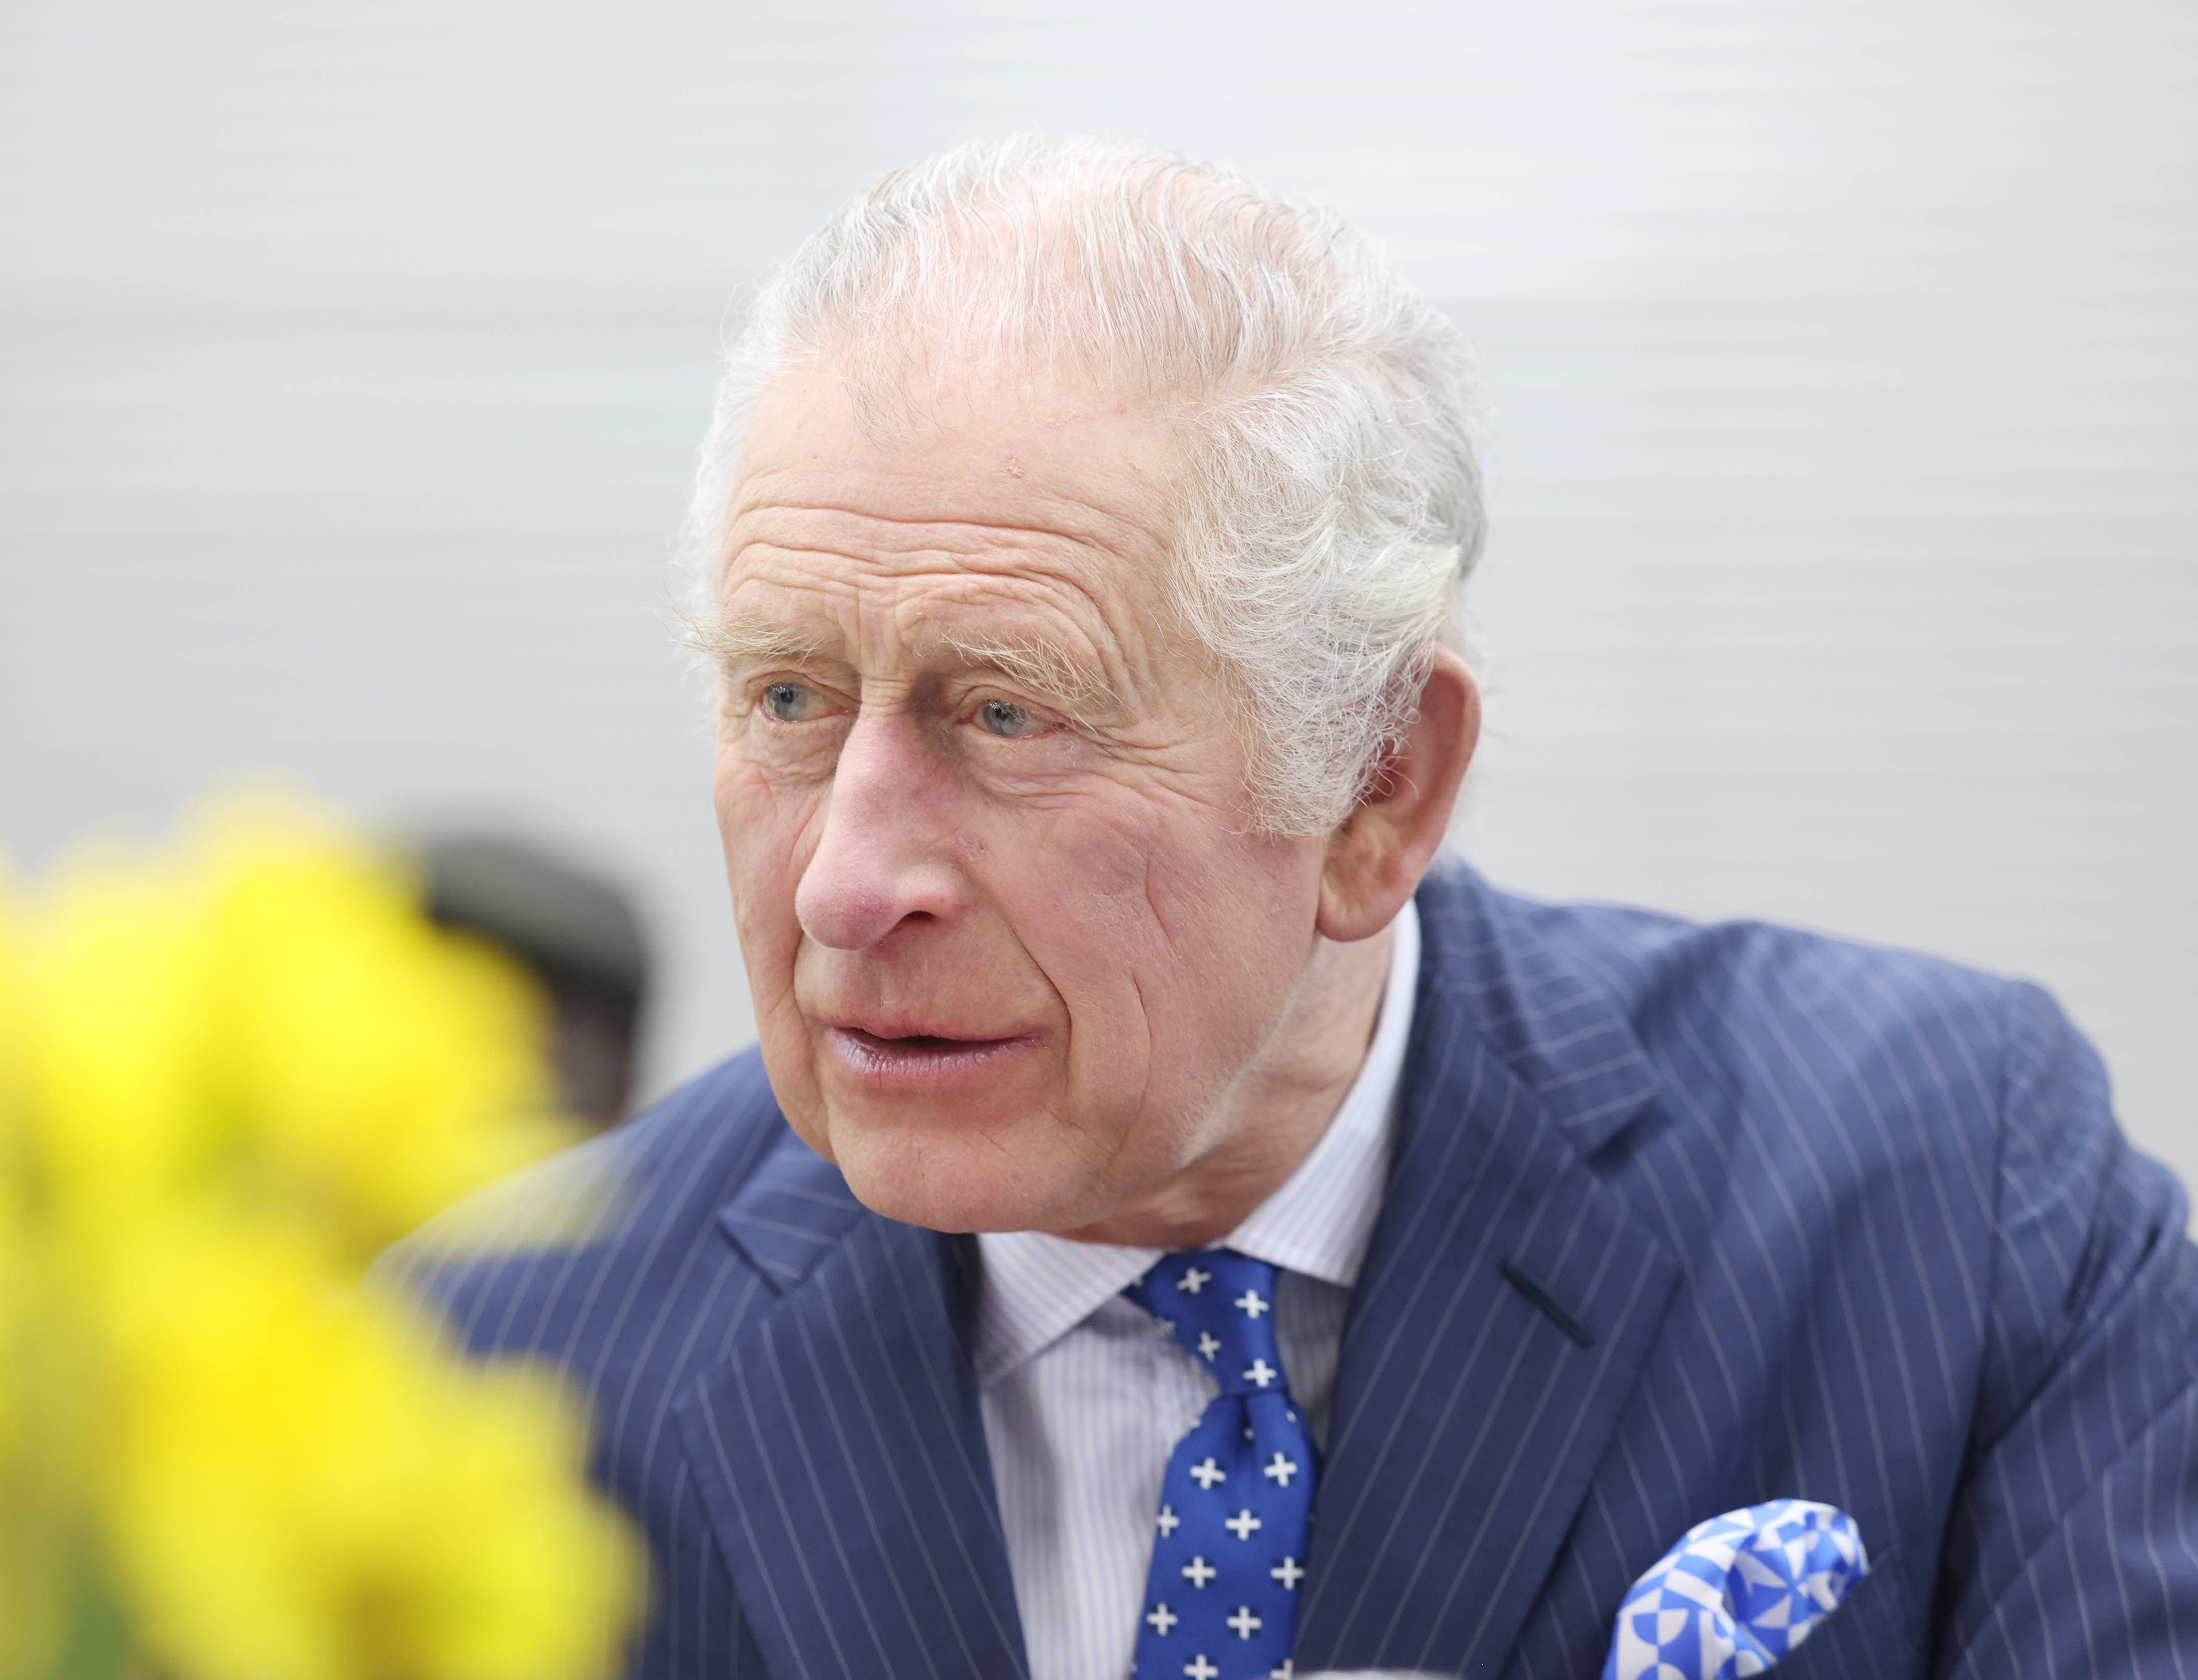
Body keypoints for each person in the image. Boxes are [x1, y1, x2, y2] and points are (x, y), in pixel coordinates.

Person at [391, 136, 2198, 1680]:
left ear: (1375, 786)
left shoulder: (1949, 1205)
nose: (849, 883)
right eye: (785, 697)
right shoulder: (482, 1376)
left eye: (1008, 712)